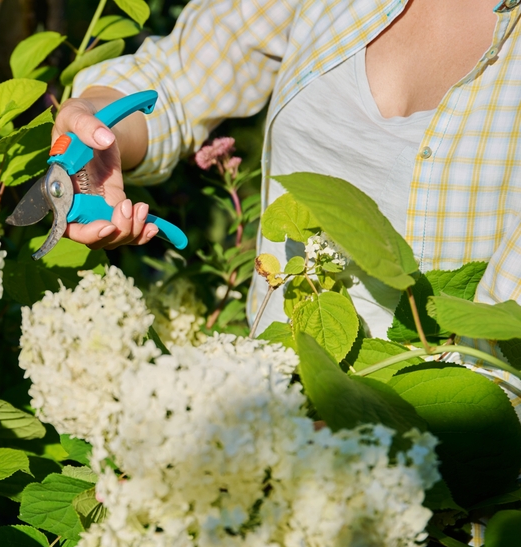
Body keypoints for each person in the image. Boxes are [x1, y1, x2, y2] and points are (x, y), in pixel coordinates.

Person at [54, 0, 521, 340]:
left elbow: (504, 345)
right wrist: (95, 131)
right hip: (271, 409)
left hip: (448, 450)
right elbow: (180, 76)